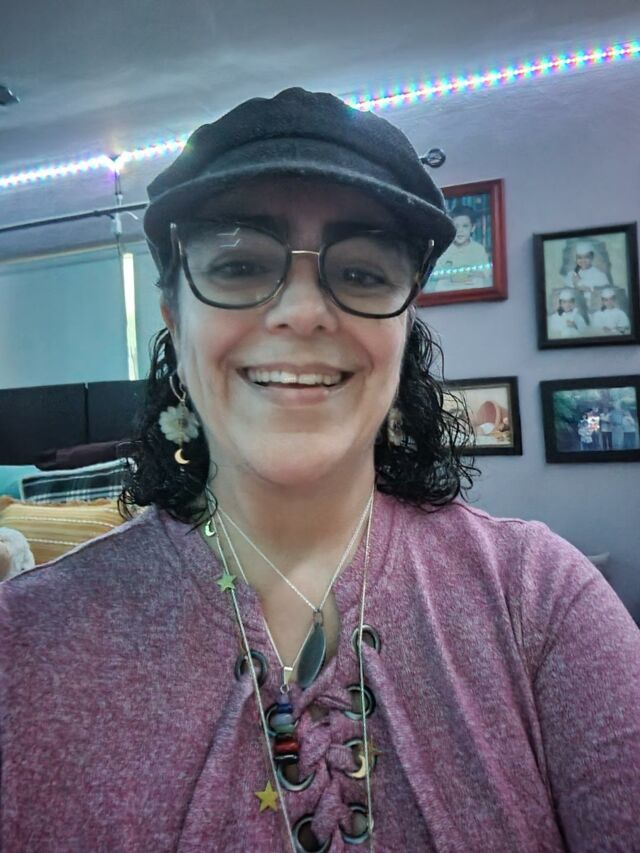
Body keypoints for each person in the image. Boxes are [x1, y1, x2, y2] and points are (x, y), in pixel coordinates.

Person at [1, 88, 639, 853]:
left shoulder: (539, 599)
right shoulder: (25, 645)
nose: (302, 312)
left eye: (363, 272)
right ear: (172, 313)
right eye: (240, 264)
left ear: (406, 323)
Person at [426, 204, 490, 291]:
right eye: (456, 227)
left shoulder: (478, 249)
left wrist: (471, 274)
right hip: (447, 289)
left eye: (465, 226)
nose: (460, 231)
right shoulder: (443, 249)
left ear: (473, 228)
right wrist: (451, 276)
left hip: (471, 287)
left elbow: (486, 273)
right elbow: (434, 274)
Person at [564, 240, 610, 309]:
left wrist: (582, 287)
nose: (583, 261)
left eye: (586, 257)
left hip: (594, 308)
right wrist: (576, 286)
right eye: (579, 257)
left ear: (592, 257)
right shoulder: (570, 274)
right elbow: (566, 295)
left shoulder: (600, 275)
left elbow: (606, 295)